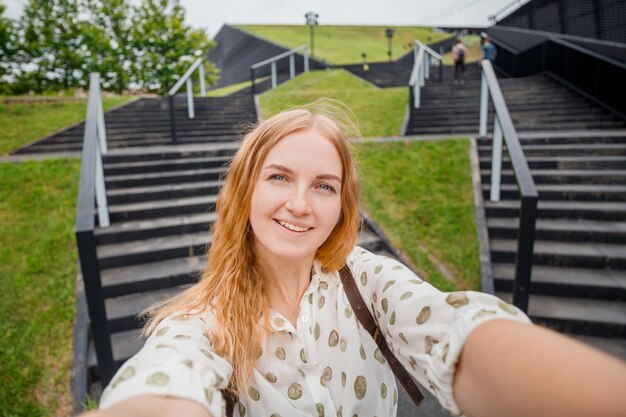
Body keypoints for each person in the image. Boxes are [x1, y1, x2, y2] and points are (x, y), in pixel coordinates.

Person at [83, 101, 626, 417]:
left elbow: (454, 331)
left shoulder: (366, 279)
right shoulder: (201, 322)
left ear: (341, 203)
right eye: (279, 177)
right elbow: (167, 378)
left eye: (324, 185)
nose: (299, 204)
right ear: (244, 189)